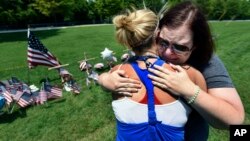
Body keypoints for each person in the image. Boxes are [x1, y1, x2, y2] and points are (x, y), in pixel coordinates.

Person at [97, 1, 245, 141]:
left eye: (180, 47)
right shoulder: (145, 57)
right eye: (163, 42)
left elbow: (234, 122)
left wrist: (190, 91)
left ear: (196, 46)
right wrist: (104, 79)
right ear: (157, 34)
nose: (167, 53)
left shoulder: (207, 61)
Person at [99, 8, 207, 141]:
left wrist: (102, 79)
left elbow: (103, 82)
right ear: (158, 34)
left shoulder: (116, 73)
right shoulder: (189, 74)